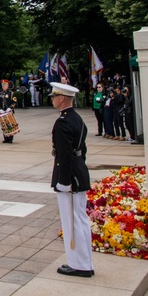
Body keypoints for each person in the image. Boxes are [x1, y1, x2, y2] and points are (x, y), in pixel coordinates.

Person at [49, 81, 94, 277]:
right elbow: (81, 150)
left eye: (53, 96)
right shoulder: (77, 119)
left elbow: (65, 155)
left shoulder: (63, 122)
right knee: (80, 219)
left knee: (72, 221)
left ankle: (79, 264)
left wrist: (65, 181)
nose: (52, 99)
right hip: (79, 173)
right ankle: (84, 262)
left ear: (62, 99)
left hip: (70, 177)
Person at [0, 79, 17, 144]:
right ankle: (5, 137)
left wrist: (10, 108)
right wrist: (0, 109)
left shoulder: (11, 93)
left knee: (10, 125)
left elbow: (14, 102)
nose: (4, 86)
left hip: (9, 112)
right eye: (3, 85)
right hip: (3, 112)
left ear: (8, 85)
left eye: (5, 85)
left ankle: (10, 138)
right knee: (4, 125)